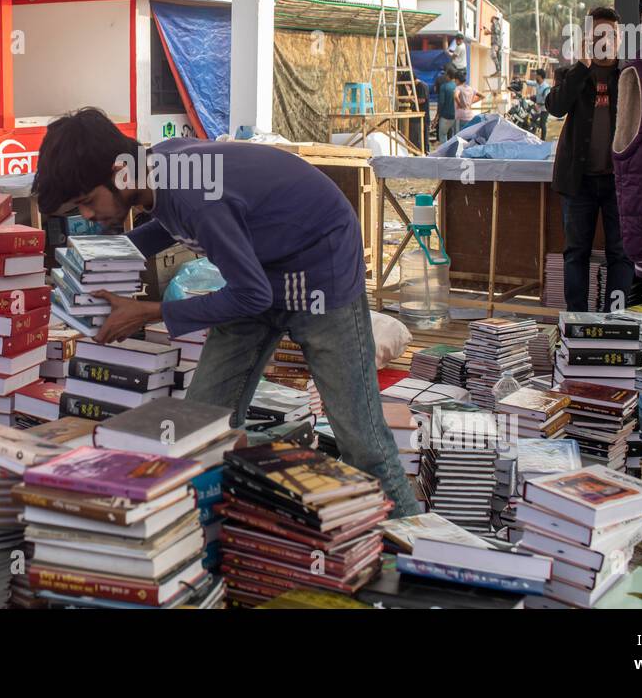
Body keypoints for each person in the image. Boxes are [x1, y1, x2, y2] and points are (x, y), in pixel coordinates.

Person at [31, 108, 421, 518]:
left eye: (88, 202)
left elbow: (246, 291)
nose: (89, 216)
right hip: (256, 266)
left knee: (360, 439)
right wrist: (99, 261)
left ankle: (420, 550)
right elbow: (172, 226)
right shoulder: (158, 172)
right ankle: (205, 529)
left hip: (319, 267)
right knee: (201, 421)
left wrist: (147, 312)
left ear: (119, 172)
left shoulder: (193, 193)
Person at [546, 6, 634, 312]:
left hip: (619, 182)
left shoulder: (630, 76)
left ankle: (616, 318)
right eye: (597, 36)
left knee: (621, 253)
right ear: (587, 39)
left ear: (620, 39)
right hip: (578, 181)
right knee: (575, 252)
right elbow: (555, 107)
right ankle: (576, 319)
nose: (604, 42)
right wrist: (582, 65)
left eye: (609, 35)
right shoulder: (570, 74)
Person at [435, 71, 457, 143]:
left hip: (445, 116)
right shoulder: (458, 86)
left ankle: (444, 152)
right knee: (455, 136)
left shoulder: (444, 87)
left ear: (448, 76)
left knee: (443, 135)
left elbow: (441, 102)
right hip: (457, 116)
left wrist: (437, 115)